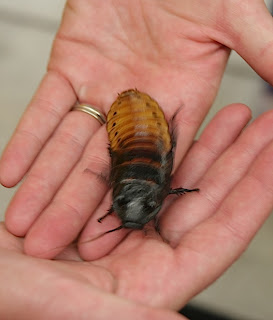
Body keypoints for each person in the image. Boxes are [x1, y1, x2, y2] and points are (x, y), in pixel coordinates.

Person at [0, 0, 273, 318]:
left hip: (142, 143)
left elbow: (143, 176)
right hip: (140, 141)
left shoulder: (151, 187)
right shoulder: (136, 186)